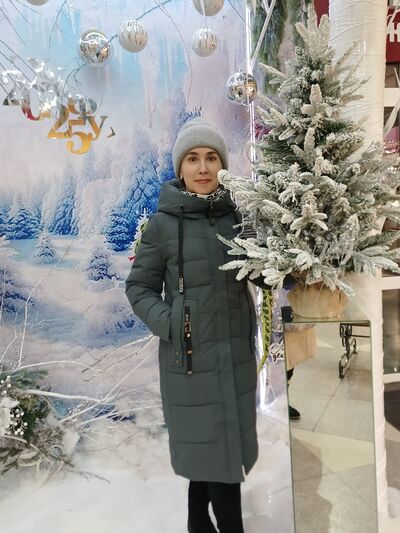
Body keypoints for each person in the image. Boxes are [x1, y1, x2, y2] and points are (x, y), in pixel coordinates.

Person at [125, 118, 258, 533]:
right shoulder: (163, 225)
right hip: (191, 360)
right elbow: (139, 287)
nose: (203, 167)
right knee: (216, 453)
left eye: (211, 157)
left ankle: (196, 520)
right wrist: (173, 323)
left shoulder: (238, 217)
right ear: (180, 167)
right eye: (193, 158)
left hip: (234, 355)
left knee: (214, 449)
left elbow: (260, 270)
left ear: (222, 165)